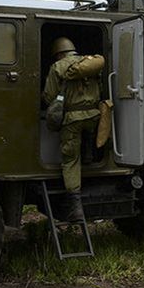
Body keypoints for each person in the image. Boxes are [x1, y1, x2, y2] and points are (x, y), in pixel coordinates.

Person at [42, 37, 103, 222]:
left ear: (59, 53)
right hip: (94, 116)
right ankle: (89, 152)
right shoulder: (88, 62)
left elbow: (49, 97)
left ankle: (76, 208)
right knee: (88, 131)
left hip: (72, 119)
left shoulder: (57, 67)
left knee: (70, 160)